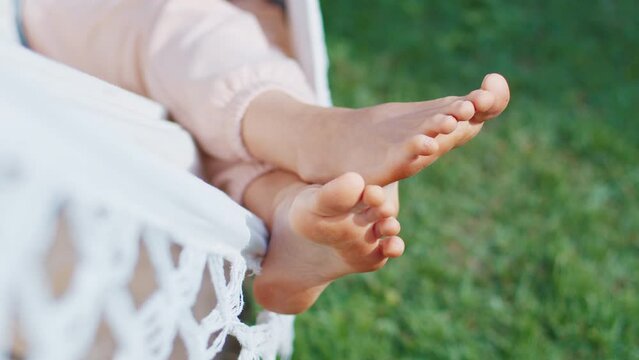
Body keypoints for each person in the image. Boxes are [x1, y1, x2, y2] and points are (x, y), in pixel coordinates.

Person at [21, 0, 509, 314]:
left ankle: (291, 211)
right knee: (196, 28)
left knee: (224, 117)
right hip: (85, 17)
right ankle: (312, 131)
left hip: (219, 69)